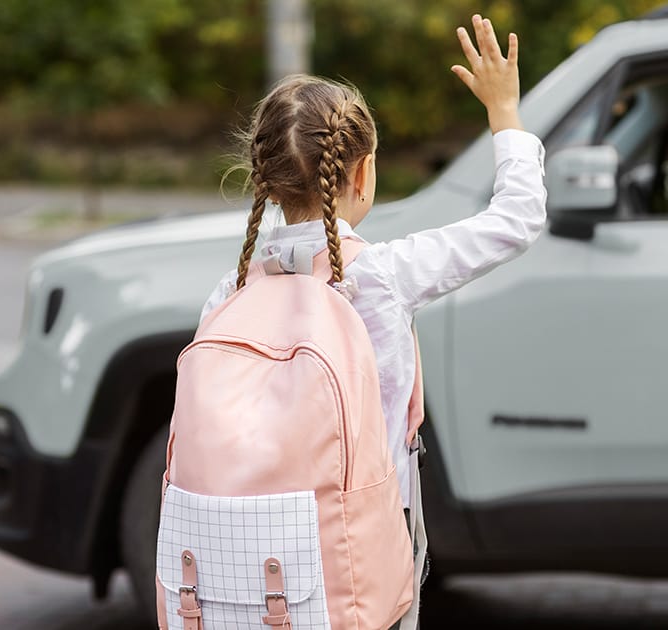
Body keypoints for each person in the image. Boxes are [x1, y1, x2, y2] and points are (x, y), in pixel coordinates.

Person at [194, 13, 545, 628]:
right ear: (362, 173)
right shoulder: (380, 277)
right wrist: (504, 112)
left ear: (265, 181)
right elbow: (516, 217)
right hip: (358, 549)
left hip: (248, 557)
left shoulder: (230, 292)